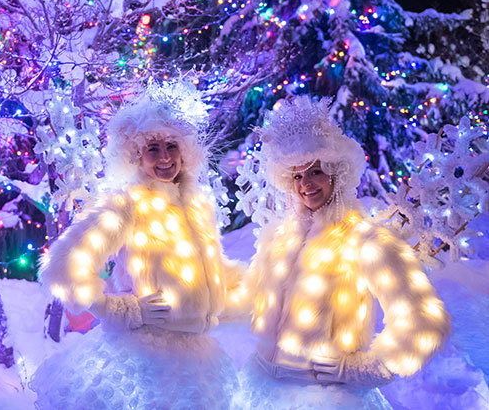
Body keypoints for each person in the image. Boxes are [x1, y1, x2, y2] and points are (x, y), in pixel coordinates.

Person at [225, 96, 451, 410]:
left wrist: (363, 369)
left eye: (315, 172)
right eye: (298, 176)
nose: (306, 185)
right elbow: (247, 298)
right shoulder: (279, 238)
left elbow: (424, 320)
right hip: (261, 390)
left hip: (321, 398)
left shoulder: (365, 240)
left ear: (337, 173)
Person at [31, 85, 243, 410]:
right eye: (152, 148)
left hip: (198, 361)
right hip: (145, 360)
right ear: (135, 155)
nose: (165, 158)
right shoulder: (126, 205)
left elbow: (208, 276)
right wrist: (122, 310)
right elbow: (62, 269)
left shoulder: (198, 207)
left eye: (172, 146)